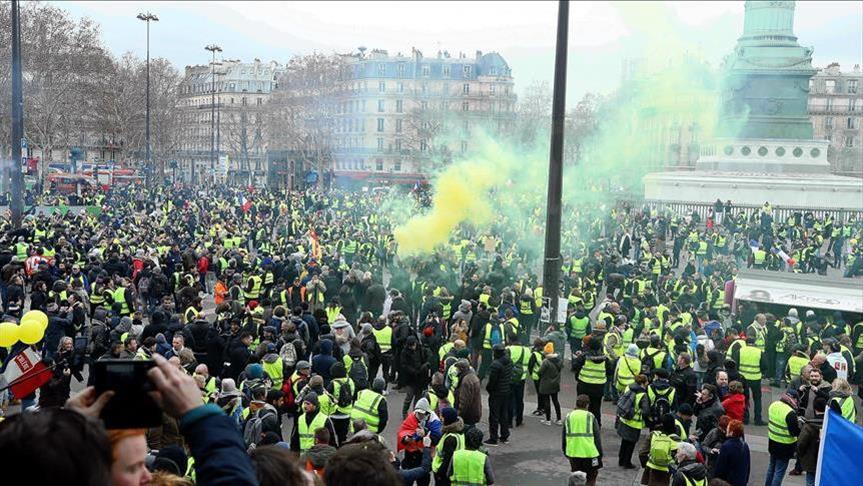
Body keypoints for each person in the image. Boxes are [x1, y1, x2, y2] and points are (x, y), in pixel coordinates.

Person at [563, 394, 603, 486]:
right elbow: (597, 438)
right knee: (591, 476)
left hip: (573, 453)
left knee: (576, 478)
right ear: (587, 405)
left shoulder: (568, 416)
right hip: (589, 453)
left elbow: (564, 437)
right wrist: (600, 454)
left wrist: (566, 451)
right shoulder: (590, 416)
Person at [616, 374, 649, 469]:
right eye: (646, 382)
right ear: (643, 383)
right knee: (631, 443)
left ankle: (621, 460)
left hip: (624, 419)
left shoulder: (628, 387)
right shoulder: (643, 394)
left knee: (624, 441)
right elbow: (645, 411)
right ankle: (627, 462)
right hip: (634, 423)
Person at [573, 336, 608, 426]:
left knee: (582, 406)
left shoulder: (584, 356)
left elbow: (575, 366)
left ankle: (581, 424)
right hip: (598, 387)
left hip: (584, 386)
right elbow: (610, 370)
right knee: (596, 407)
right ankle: (596, 425)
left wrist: (579, 356)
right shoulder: (605, 358)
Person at [639, 413, 680, 486]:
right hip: (666, 472)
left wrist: (646, 465)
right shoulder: (676, 439)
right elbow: (678, 457)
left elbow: (642, 453)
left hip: (652, 469)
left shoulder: (653, 434)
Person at [485, 343, 513, 445]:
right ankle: (504, 436)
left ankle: (493, 438)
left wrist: (489, 389)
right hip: (506, 391)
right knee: (503, 414)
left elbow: (492, 381)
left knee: (494, 416)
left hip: (496, 393)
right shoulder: (509, 361)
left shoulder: (495, 365)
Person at [796, 397, 826, 486]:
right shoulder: (829, 425)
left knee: (810, 481)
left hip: (810, 460)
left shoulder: (808, 426)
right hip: (824, 460)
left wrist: (801, 455)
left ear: (814, 408)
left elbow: (800, 443)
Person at [432, 407, 465, 486]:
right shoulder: (459, 432)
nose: (441, 418)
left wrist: (439, 474)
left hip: (444, 474)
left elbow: (447, 460)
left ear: (447, 419)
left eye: (442, 416)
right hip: (454, 471)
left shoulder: (450, 438)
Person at [713, 420, 750, 486]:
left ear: (732, 432)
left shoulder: (726, 446)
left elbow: (720, 468)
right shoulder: (745, 445)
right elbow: (748, 466)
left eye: (728, 428)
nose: (727, 429)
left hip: (729, 482)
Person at [738, 336, 765, 425]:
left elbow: (736, 363)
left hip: (743, 378)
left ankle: (745, 418)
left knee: (744, 398)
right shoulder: (759, 352)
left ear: (746, 343)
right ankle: (758, 419)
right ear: (754, 343)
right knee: (757, 399)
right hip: (755, 378)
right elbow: (765, 366)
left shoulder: (740, 351)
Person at [538, 341, 563, 426]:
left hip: (546, 383)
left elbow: (540, 372)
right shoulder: (558, 360)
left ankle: (548, 420)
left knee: (547, 401)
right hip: (555, 383)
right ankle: (559, 419)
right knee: (556, 401)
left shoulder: (546, 361)